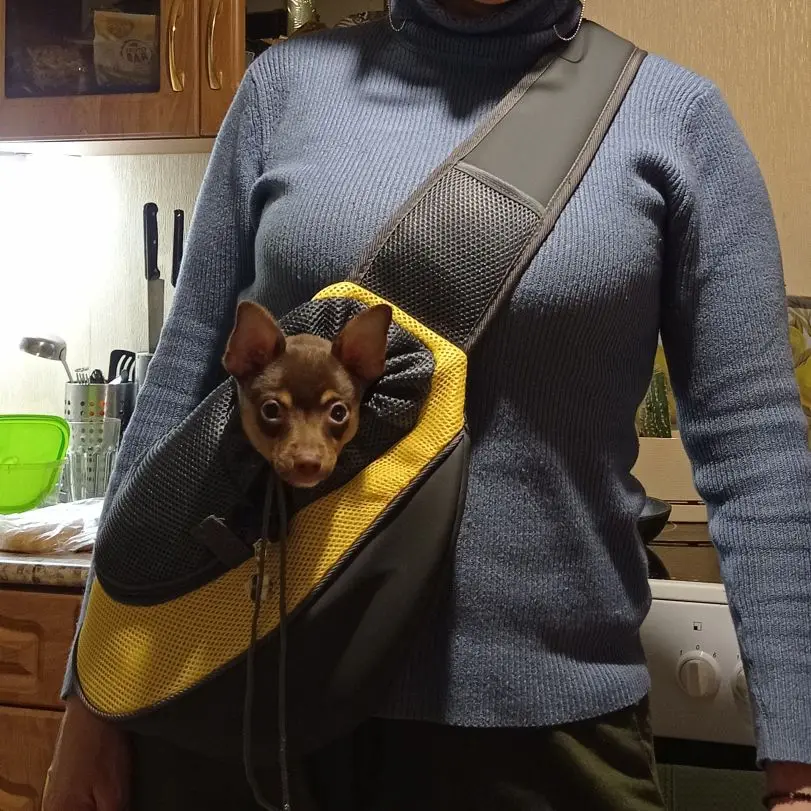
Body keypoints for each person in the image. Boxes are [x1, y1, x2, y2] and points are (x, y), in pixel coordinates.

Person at [44, 0, 811, 809]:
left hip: (543, 735)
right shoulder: (280, 91)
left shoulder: (675, 119)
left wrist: (798, 769)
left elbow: (756, 451)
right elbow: (176, 390)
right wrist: (93, 692)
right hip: (245, 704)